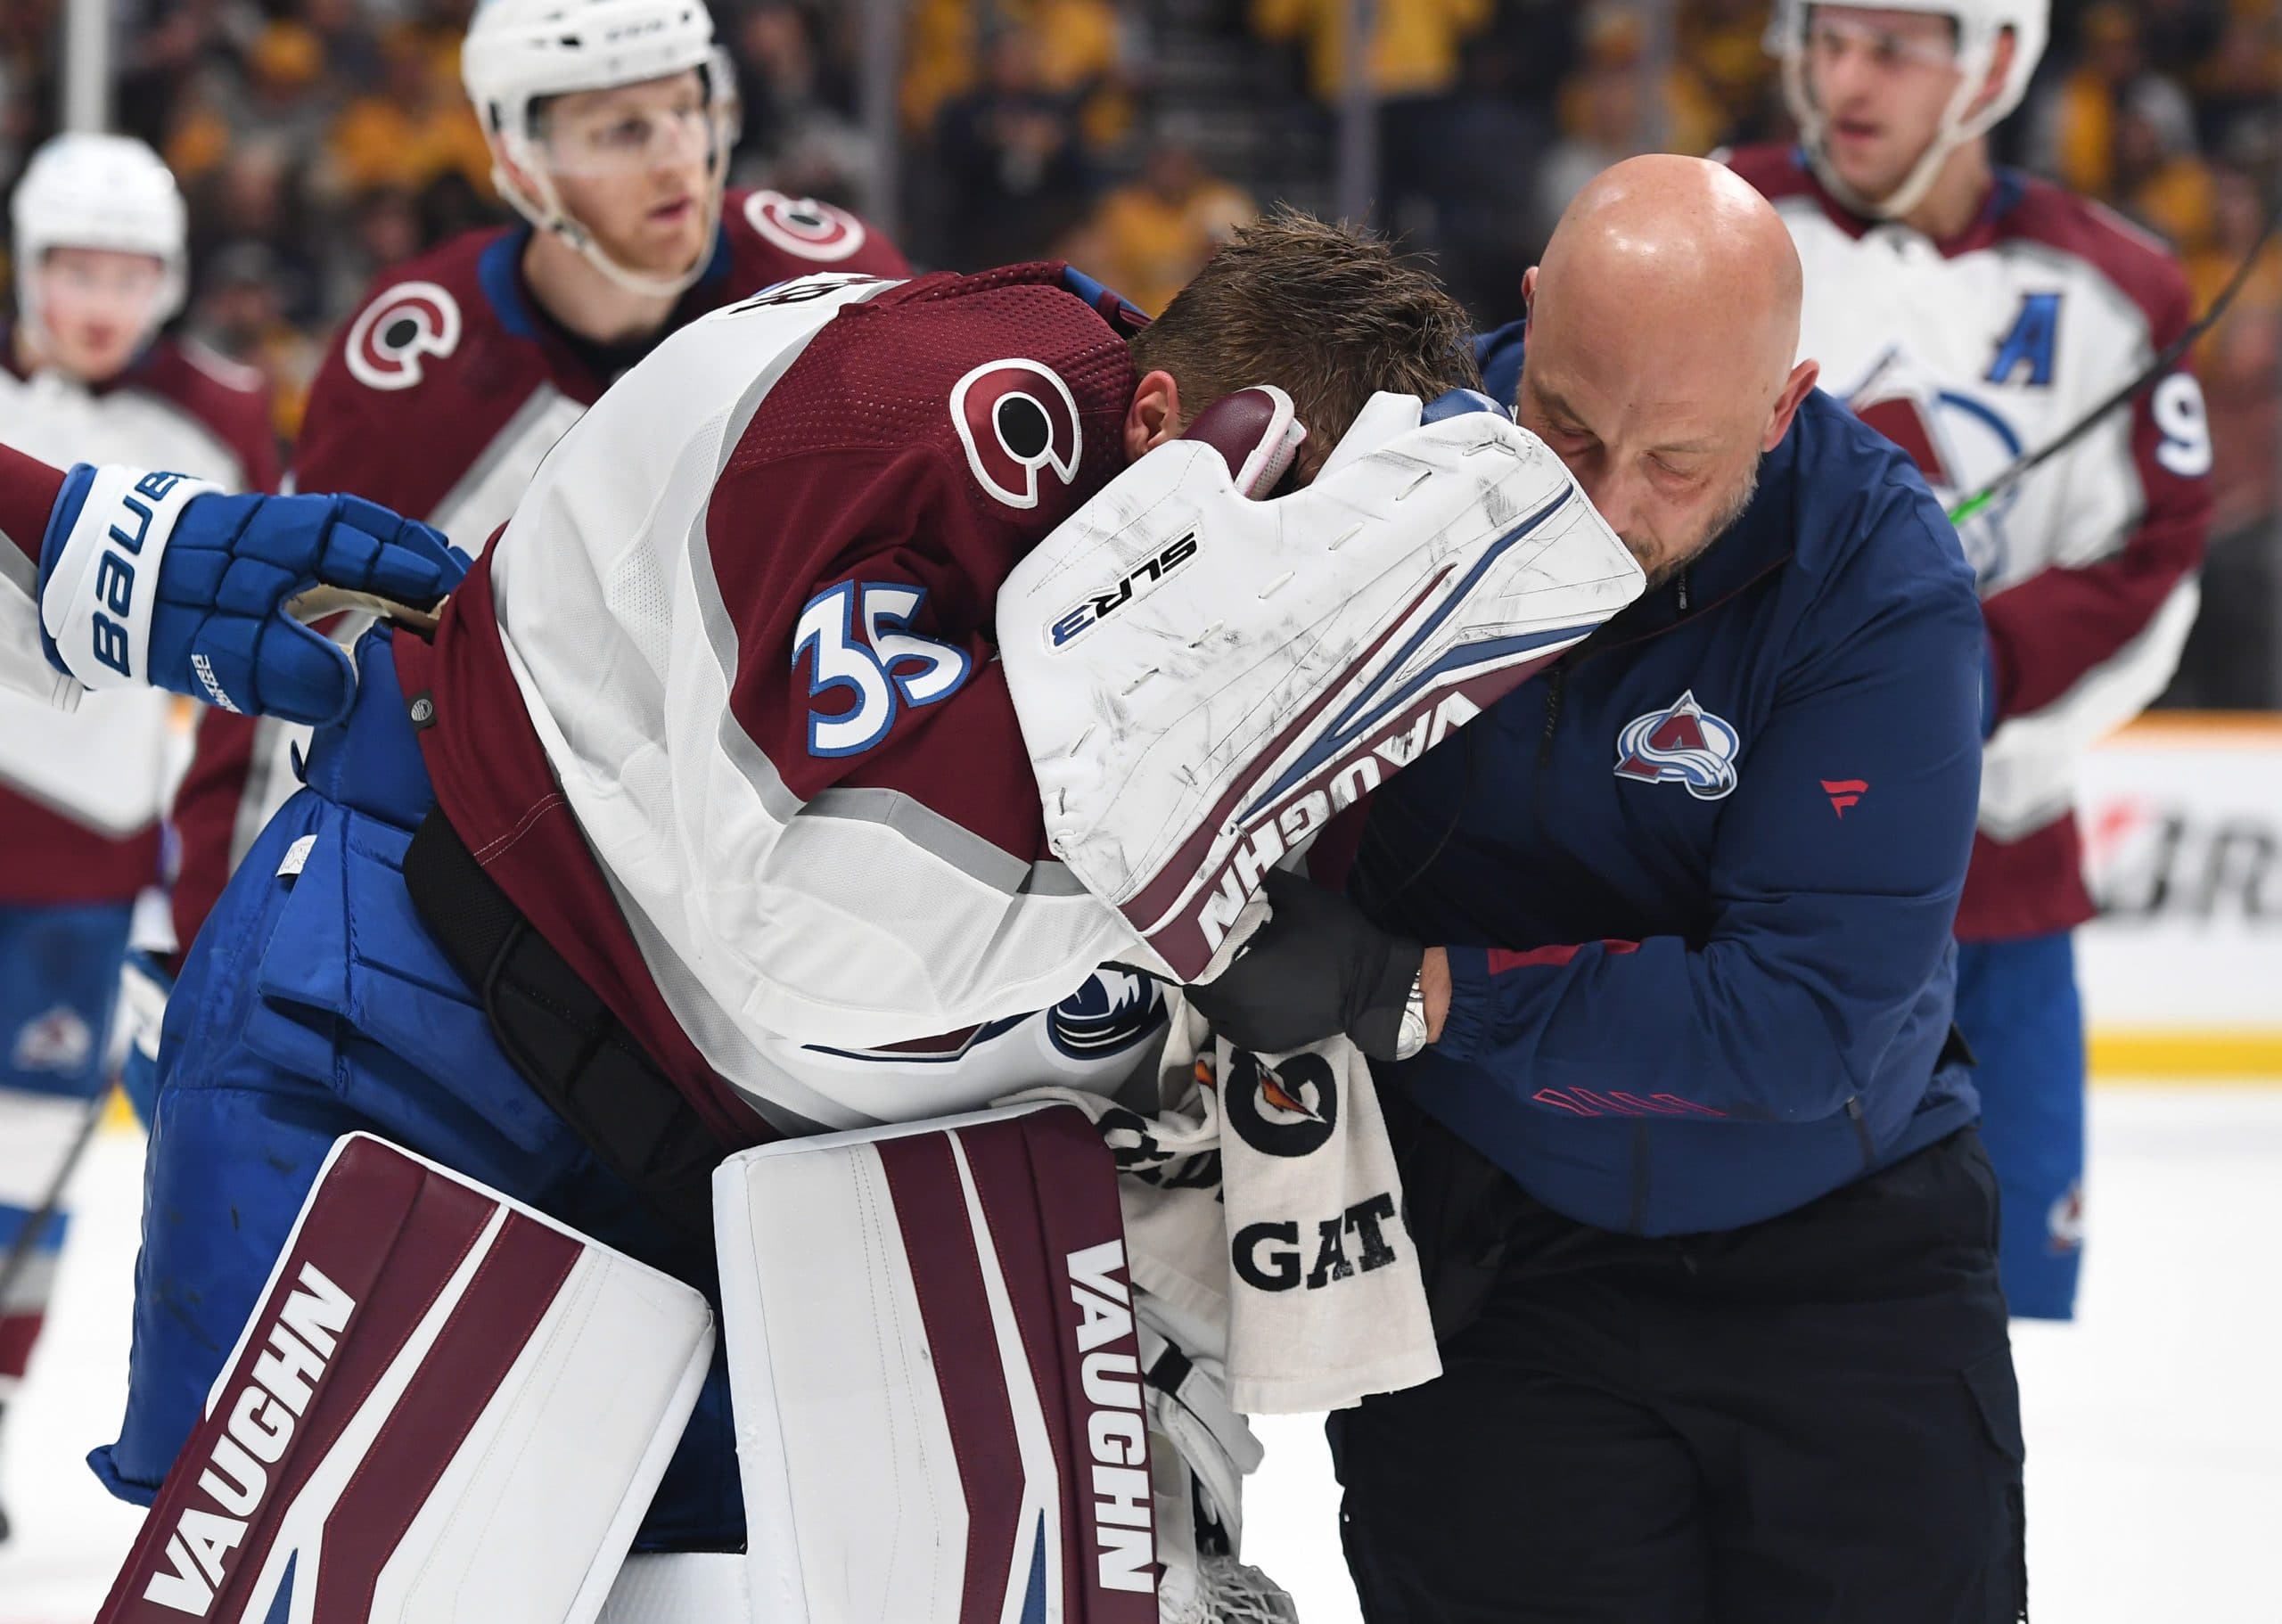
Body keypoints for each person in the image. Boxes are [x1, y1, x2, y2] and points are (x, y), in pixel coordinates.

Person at [100, 215, 1582, 1590]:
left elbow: (1156, 1127)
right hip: (421, 1030)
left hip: (722, 1171)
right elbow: (825, 927)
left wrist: (1170, 1525)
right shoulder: (923, 412)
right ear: (1164, 432)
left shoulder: (1283, 638)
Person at [1187, 156, 2021, 1622]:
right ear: (1524, 321)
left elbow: (1802, 1018)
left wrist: (1418, 993)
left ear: (1785, 400)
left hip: (1842, 1257)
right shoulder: (1379, 464)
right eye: (1564, 430)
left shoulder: (1885, 588)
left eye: (1677, 465)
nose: (1608, 506)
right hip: (1490, 1259)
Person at [168, 0, 908, 952]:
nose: (676, 155)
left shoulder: (834, 293)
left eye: (689, 109)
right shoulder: (422, 367)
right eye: (622, 130)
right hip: (521, 879)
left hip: (801, 867)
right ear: (520, 162)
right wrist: (206, 943)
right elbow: (293, 652)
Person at [1732, 0, 2212, 1320]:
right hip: (1746, 898)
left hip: (1999, 894)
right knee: (1752, 1323)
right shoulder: (1710, 228)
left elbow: (2151, 560)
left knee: (2000, 1343)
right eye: (1826, 42)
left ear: (1995, 61)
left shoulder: (2118, 287)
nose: (1842, 80)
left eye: (1891, 47)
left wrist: (1945, 699)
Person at [0, 135, 277, 1538]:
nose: (100, 299)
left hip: (93, 867)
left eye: (128, 272)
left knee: (19, 1164)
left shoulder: (224, 421)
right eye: (73, 268)